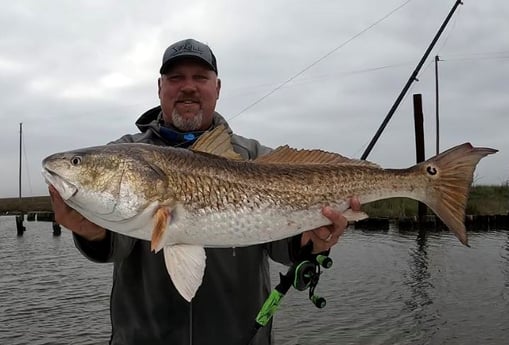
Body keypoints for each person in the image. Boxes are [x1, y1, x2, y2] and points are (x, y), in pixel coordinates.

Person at [48, 38, 360, 345]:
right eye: (176, 78)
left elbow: (280, 241)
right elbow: (119, 242)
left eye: (200, 77)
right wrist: (92, 234)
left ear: (217, 88)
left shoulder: (252, 157)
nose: (188, 86)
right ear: (160, 88)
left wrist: (310, 241)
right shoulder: (126, 153)